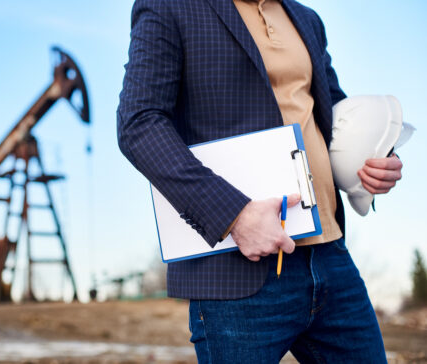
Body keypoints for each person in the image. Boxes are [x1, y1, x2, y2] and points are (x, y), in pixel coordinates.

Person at [117, 0, 403, 362]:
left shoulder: (306, 19)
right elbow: (138, 123)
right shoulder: (169, 7)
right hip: (236, 272)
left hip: (330, 256)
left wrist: (374, 162)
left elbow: (331, 112)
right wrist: (233, 215)